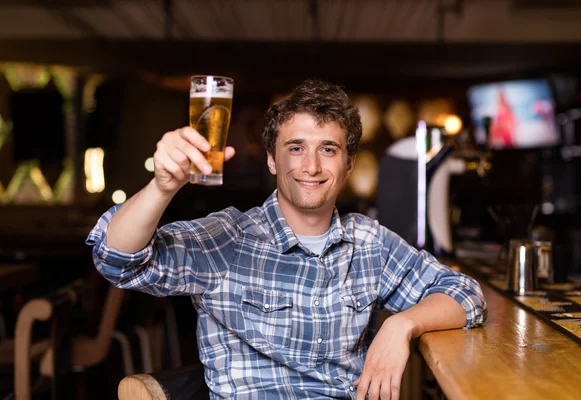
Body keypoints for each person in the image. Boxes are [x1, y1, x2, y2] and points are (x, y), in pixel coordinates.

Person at [87, 79, 487, 400]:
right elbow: (117, 260)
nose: (311, 166)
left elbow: (464, 293)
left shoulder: (369, 242)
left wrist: (401, 325)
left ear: (348, 165)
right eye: (295, 148)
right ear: (272, 160)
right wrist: (162, 186)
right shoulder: (229, 238)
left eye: (327, 150)